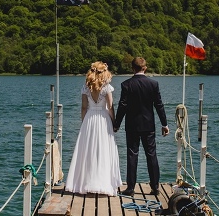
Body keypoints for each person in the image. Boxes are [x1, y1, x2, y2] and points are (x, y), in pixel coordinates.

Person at [113, 57, 169, 196]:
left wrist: (116, 124)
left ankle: (131, 188)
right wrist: (164, 124)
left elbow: (122, 105)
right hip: (148, 125)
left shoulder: (126, 84)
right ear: (145, 68)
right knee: (151, 155)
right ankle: (155, 187)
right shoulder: (153, 84)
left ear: (132, 68)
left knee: (132, 155)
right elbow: (159, 105)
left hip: (132, 125)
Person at [64, 61, 122, 196]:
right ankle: (104, 182)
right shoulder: (107, 87)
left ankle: (85, 183)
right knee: (103, 150)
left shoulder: (86, 87)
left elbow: (84, 107)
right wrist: (114, 122)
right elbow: (111, 107)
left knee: (87, 150)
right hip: (103, 118)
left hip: (90, 118)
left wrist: (84, 122)